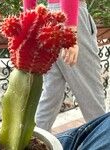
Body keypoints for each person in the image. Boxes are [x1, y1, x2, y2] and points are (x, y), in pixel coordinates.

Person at [23, 0, 106, 131]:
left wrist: (31, 26)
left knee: (51, 93)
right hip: (72, 15)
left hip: (48, 19)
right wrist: (70, 34)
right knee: (91, 93)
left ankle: (33, 138)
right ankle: (103, 141)